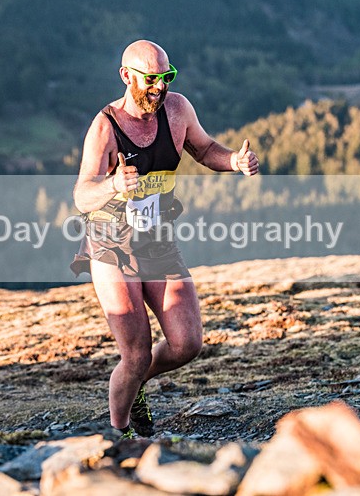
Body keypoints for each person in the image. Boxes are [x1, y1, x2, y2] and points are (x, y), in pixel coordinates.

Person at [71, 40, 259, 439]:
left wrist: (234, 162)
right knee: (136, 354)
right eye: (151, 79)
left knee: (187, 342)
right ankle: (119, 432)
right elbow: (81, 194)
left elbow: (205, 149)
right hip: (111, 247)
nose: (159, 87)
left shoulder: (177, 110)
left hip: (156, 241)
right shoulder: (105, 127)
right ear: (126, 76)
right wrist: (112, 185)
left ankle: (135, 382)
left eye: (166, 77)